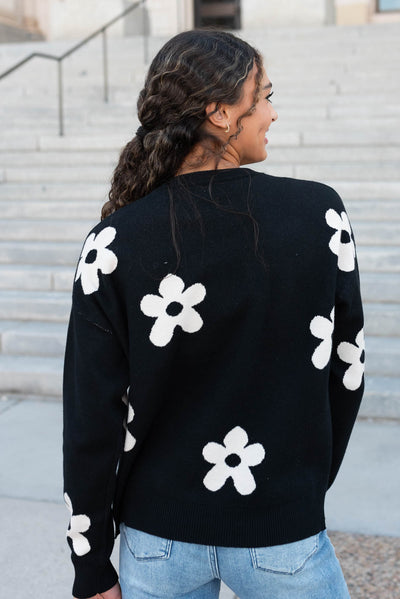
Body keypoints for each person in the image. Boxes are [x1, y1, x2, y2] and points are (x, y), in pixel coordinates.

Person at [63, 29, 365, 599]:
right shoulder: (320, 214)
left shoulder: (112, 242)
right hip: (283, 532)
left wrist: (90, 567)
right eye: (266, 96)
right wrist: (295, 492)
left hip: (157, 541)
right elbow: (345, 374)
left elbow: (90, 419)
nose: (272, 114)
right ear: (222, 113)